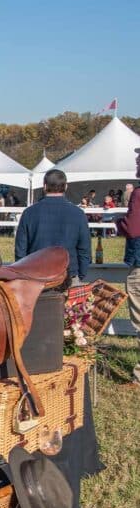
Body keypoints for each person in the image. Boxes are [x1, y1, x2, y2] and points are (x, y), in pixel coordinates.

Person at [15, 168, 91, 286]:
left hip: (36, 277)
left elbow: (20, 250)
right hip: (68, 274)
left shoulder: (29, 213)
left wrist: (24, 275)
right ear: (66, 186)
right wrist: (79, 275)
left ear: (44, 186)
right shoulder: (78, 214)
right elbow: (84, 249)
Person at [116, 147, 140, 384]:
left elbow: (132, 228)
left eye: (139, 162)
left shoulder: (138, 194)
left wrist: (118, 223)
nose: (136, 167)